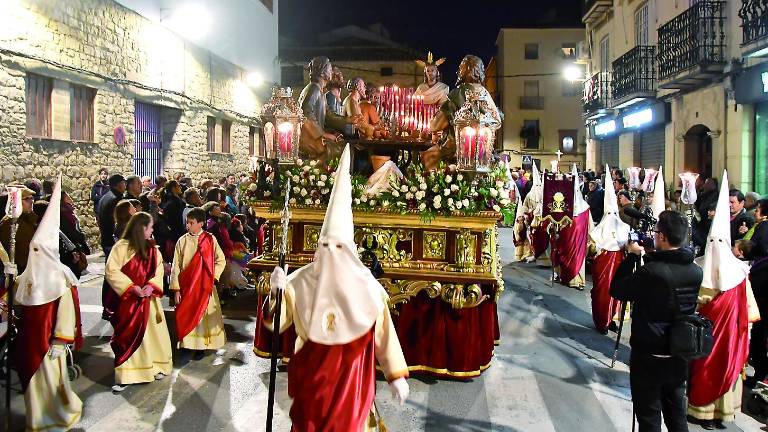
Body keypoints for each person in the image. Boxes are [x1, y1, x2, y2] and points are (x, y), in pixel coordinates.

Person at [267, 145, 409, 430]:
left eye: (338, 247)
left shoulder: (368, 288)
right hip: (312, 387)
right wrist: (275, 292)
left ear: (350, 251)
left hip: (352, 389)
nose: (331, 252)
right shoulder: (300, 282)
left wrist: (396, 376)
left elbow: (384, 335)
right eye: (325, 246)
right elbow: (276, 324)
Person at [610, 210, 703, 432]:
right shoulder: (695, 270)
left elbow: (618, 290)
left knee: (649, 416)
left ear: (661, 236)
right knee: (676, 414)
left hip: (650, 353)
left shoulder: (652, 272)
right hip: (679, 351)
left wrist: (632, 256)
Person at [687, 170, 760, 430]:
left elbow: (748, 309)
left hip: (727, 337)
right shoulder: (701, 270)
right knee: (706, 370)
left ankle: (719, 413)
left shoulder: (739, 273)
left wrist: (745, 332)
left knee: (720, 371)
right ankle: (705, 412)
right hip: (711, 337)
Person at [13, 176, 83, 431]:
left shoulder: (59, 278)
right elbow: (19, 295)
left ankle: (55, 416)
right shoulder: (29, 274)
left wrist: (61, 341)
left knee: (51, 384)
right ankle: (37, 419)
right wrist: (11, 275)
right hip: (29, 340)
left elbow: (65, 314)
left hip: (48, 342)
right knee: (32, 385)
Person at [105, 212, 173, 392]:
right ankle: (128, 374)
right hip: (129, 302)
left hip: (149, 301)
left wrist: (151, 286)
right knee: (128, 336)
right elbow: (111, 271)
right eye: (150, 227)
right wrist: (131, 287)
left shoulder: (152, 249)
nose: (152, 231)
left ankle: (153, 366)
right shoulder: (121, 247)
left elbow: (158, 270)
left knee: (152, 336)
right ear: (141, 228)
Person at [425, 54, 501, 170]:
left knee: (428, 155)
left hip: (455, 149)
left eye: (461, 68)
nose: (458, 72)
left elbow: (435, 125)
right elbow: (497, 121)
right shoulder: (485, 94)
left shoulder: (458, 94)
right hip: (482, 153)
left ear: (466, 70)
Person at [170, 207, 226, 359]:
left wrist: (214, 277)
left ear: (201, 223)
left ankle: (201, 346)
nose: (188, 226)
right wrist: (176, 289)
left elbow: (220, 260)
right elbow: (176, 266)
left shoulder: (210, 239)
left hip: (204, 286)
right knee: (186, 314)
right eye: (187, 222)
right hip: (187, 286)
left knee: (202, 316)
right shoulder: (182, 241)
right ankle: (187, 343)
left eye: (191, 223)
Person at [589, 165, 630, 334]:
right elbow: (591, 249)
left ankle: (612, 319)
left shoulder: (624, 227)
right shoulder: (598, 231)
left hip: (619, 267)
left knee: (617, 294)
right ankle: (601, 321)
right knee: (602, 294)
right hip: (603, 267)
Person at [298, 56, 344, 161]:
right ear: (322, 73)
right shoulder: (314, 88)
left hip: (315, 137)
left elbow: (328, 115)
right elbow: (305, 112)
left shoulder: (319, 90)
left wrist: (348, 121)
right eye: (329, 69)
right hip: (310, 139)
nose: (332, 72)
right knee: (340, 150)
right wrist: (322, 134)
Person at [745, 199, 768, 386]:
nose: (754, 212)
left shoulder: (764, 229)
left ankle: (761, 374)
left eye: (757, 209)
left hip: (763, 289)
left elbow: (757, 249)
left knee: (760, 334)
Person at [0, 186, 38, 274]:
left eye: (32, 198)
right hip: (20, 270)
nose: (31, 201)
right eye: (27, 199)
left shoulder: (30, 219)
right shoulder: (8, 223)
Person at [60, 190, 91, 279]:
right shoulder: (64, 212)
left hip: (75, 241)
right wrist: (80, 238)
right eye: (67, 197)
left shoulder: (69, 210)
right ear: (63, 200)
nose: (70, 198)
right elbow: (69, 230)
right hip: (72, 243)